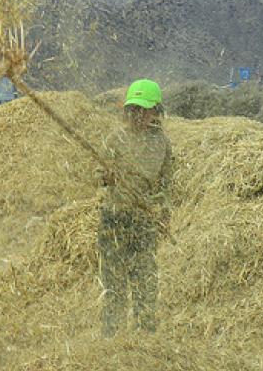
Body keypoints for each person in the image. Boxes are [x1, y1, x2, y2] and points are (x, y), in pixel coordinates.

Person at [98, 79, 172, 338]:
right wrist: (106, 176)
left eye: (144, 110)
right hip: (115, 219)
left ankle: (144, 334)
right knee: (114, 282)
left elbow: (165, 185)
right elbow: (97, 178)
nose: (139, 115)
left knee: (145, 280)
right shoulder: (114, 139)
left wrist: (164, 214)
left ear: (156, 111)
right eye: (134, 110)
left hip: (144, 221)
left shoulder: (162, 144)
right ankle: (112, 335)